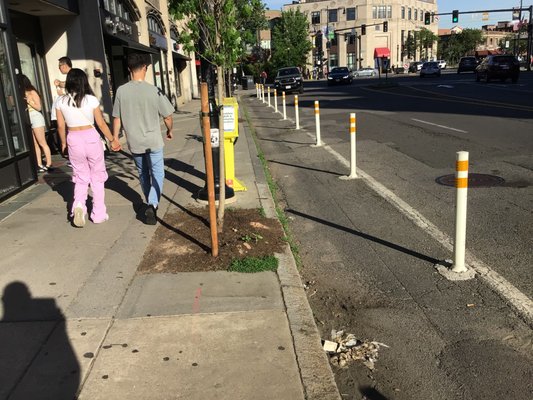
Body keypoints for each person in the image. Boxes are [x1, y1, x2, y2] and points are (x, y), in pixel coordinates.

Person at [112, 53, 174, 225]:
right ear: (145, 68)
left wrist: (115, 138)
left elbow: (117, 118)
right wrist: (170, 130)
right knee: (158, 174)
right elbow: (168, 115)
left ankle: (149, 203)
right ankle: (153, 204)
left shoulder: (121, 91)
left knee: (143, 174)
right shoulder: (154, 90)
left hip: (135, 142)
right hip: (153, 141)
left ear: (128, 69)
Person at [55, 68, 121, 228]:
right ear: (84, 81)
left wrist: (63, 143)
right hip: (91, 138)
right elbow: (100, 123)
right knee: (97, 177)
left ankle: (78, 205)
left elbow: (60, 125)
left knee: (80, 176)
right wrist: (112, 139)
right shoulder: (91, 100)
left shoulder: (60, 101)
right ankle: (98, 214)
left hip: (73, 139)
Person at [19, 74, 52, 172]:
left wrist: (29, 102)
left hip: (35, 117)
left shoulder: (32, 92)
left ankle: (49, 163)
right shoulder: (21, 93)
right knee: (34, 144)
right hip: (28, 117)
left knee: (42, 142)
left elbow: (39, 107)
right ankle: (39, 163)